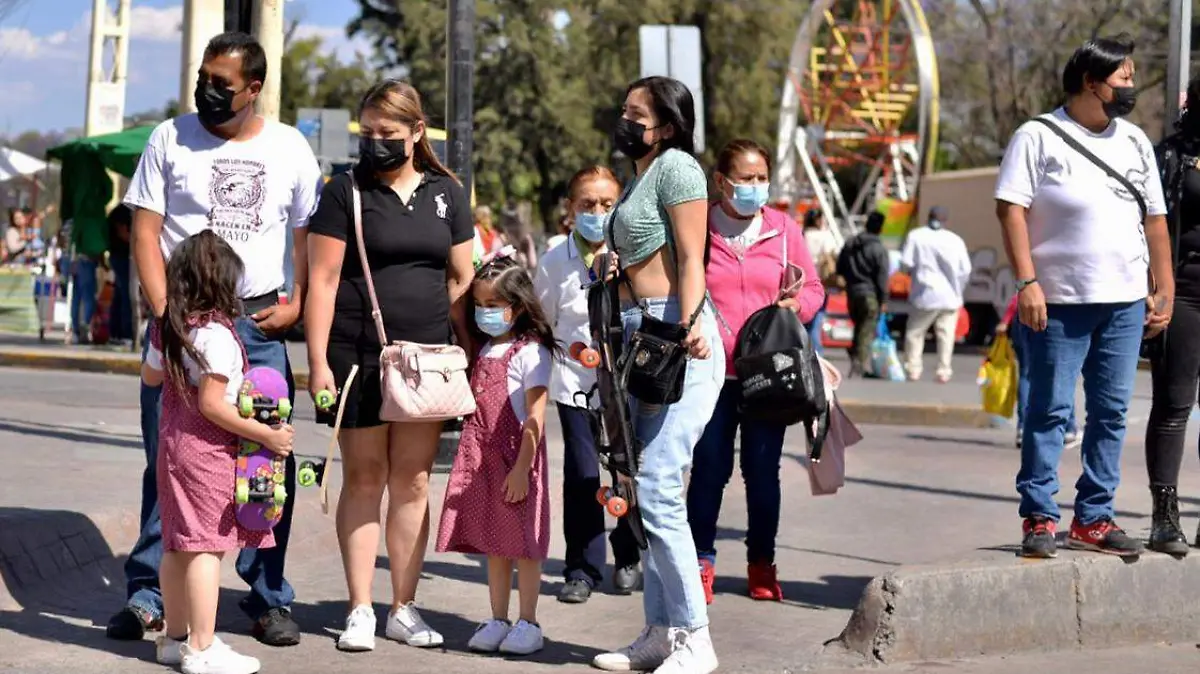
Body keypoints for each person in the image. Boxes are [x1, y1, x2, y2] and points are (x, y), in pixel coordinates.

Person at [112, 31, 322, 647]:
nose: (207, 91)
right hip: (182, 328)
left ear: (253, 89)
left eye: (222, 84)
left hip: (258, 328)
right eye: (203, 78)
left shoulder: (289, 147)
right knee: (169, 462)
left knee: (265, 465)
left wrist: (299, 303)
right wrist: (164, 315)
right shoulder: (168, 138)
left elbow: (306, 235)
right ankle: (149, 596)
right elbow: (145, 231)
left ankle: (268, 598)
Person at [305, 79, 475, 652]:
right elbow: (323, 282)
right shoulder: (342, 191)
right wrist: (317, 363)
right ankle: (359, 608)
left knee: (414, 481)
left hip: (426, 361)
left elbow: (461, 276)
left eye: (389, 134)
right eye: (368, 133)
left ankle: (404, 605)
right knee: (364, 477)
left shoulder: (447, 193)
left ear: (417, 133)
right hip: (357, 353)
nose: (376, 143)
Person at [995, 35, 1172, 559]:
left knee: (1112, 412)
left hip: (1123, 303)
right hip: (1058, 302)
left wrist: (1160, 288)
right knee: (1048, 410)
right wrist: (1028, 283)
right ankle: (1040, 517)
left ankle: (1094, 518)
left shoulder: (1136, 141)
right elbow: (1011, 212)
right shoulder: (1037, 136)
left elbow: (1155, 222)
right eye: (1123, 79)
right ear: (1091, 82)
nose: (1131, 88)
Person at [590, 75, 723, 674]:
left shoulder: (678, 169)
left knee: (663, 487)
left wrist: (693, 319)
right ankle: (660, 632)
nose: (625, 120)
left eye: (636, 113)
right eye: (624, 110)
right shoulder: (641, 177)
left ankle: (697, 638)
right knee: (643, 488)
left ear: (666, 124)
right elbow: (647, 258)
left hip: (681, 337)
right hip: (643, 337)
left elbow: (694, 256)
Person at [142, 230, 295, 674]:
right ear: (226, 285)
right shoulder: (218, 337)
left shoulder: (166, 325)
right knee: (207, 549)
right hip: (207, 452)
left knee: (177, 545)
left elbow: (153, 380)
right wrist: (265, 436)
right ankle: (202, 646)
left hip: (172, 445)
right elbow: (212, 405)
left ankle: (174, 639)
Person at [689, 138, 824, 604]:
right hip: (711, 373)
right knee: (709, 469)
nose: (754, 186)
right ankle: (700, 563)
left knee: (762, 472)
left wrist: (795, 305)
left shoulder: (784, 228)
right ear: (721, 181)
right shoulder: (697, 226)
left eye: (761, 178)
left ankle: (761, 564)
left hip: (768, 373)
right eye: (745, 178)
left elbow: (816, 290)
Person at [436, 251, 555, 655]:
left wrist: (522, 468)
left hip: (514, 459)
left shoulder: (531, 352)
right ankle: (498, 617)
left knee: (524, 545)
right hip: (482, 459)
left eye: (493, 306)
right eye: (480, 306)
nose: (484, 313)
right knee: (495, 544)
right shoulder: (483, 348)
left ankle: (528, 621)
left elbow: (536, 414)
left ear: (517, 307)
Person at [534, 166, 642, 604]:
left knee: (627, 471)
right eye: (587, 205)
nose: (597, 213)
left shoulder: (635, 254)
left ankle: (629, 552)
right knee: (581, 473)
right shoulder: (554, 261)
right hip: (575, 382)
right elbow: (543, 324)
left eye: (606, 204)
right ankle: (582, 567)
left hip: (627, 383)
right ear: (570, 209)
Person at [1144, 74, 1200, 555]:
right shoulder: (1172, 153)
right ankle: (1164, 519)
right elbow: (1149, 223)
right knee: (1174, 405)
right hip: (1182, 290)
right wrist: (1156, 288)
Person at [997, 294, 1082, 451]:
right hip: (1050, 312)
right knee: (1061, 374)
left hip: (1023, 313)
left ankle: (1023, 427)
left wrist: (1006, 320)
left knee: (1027, 374)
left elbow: (1019, 293)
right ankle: (1068, 428)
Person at [899, 206, 972, 383]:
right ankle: (943, 370)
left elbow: (906, 264)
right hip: (950, 297)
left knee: (915, 333)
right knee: (946, 335)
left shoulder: (916, 236)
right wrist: (958, 290)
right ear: (946, 220)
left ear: (928, 217)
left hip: (925, 294)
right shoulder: (955, 240)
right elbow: (966, 270)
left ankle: (913, 369)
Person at [836, 211, 890, 376]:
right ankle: (858, 364)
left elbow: (840, 268)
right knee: (866, 328)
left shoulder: (851, 244)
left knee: (859, 326)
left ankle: (855, 355)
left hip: (852, 293)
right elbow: (882, 277)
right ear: (880, 228)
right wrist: (884, 299)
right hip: (870, 294)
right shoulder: (878, 249)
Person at [803, 207, 840, 354]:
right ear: (819, 220)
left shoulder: (803, 234)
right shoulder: (825, 236)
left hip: (804, 282)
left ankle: (804, 349)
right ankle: (817, 352)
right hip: (822, 281)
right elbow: (834, 253)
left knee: (804, 318)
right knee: (817, 317)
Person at [107, 204, 135, 343]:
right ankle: (126, 333)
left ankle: (115, 331)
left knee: (119, 295)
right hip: (123, 257)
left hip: (117, 255)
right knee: (127, 295)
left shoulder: (118, 210)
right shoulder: (125, 212)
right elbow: (123, 233)